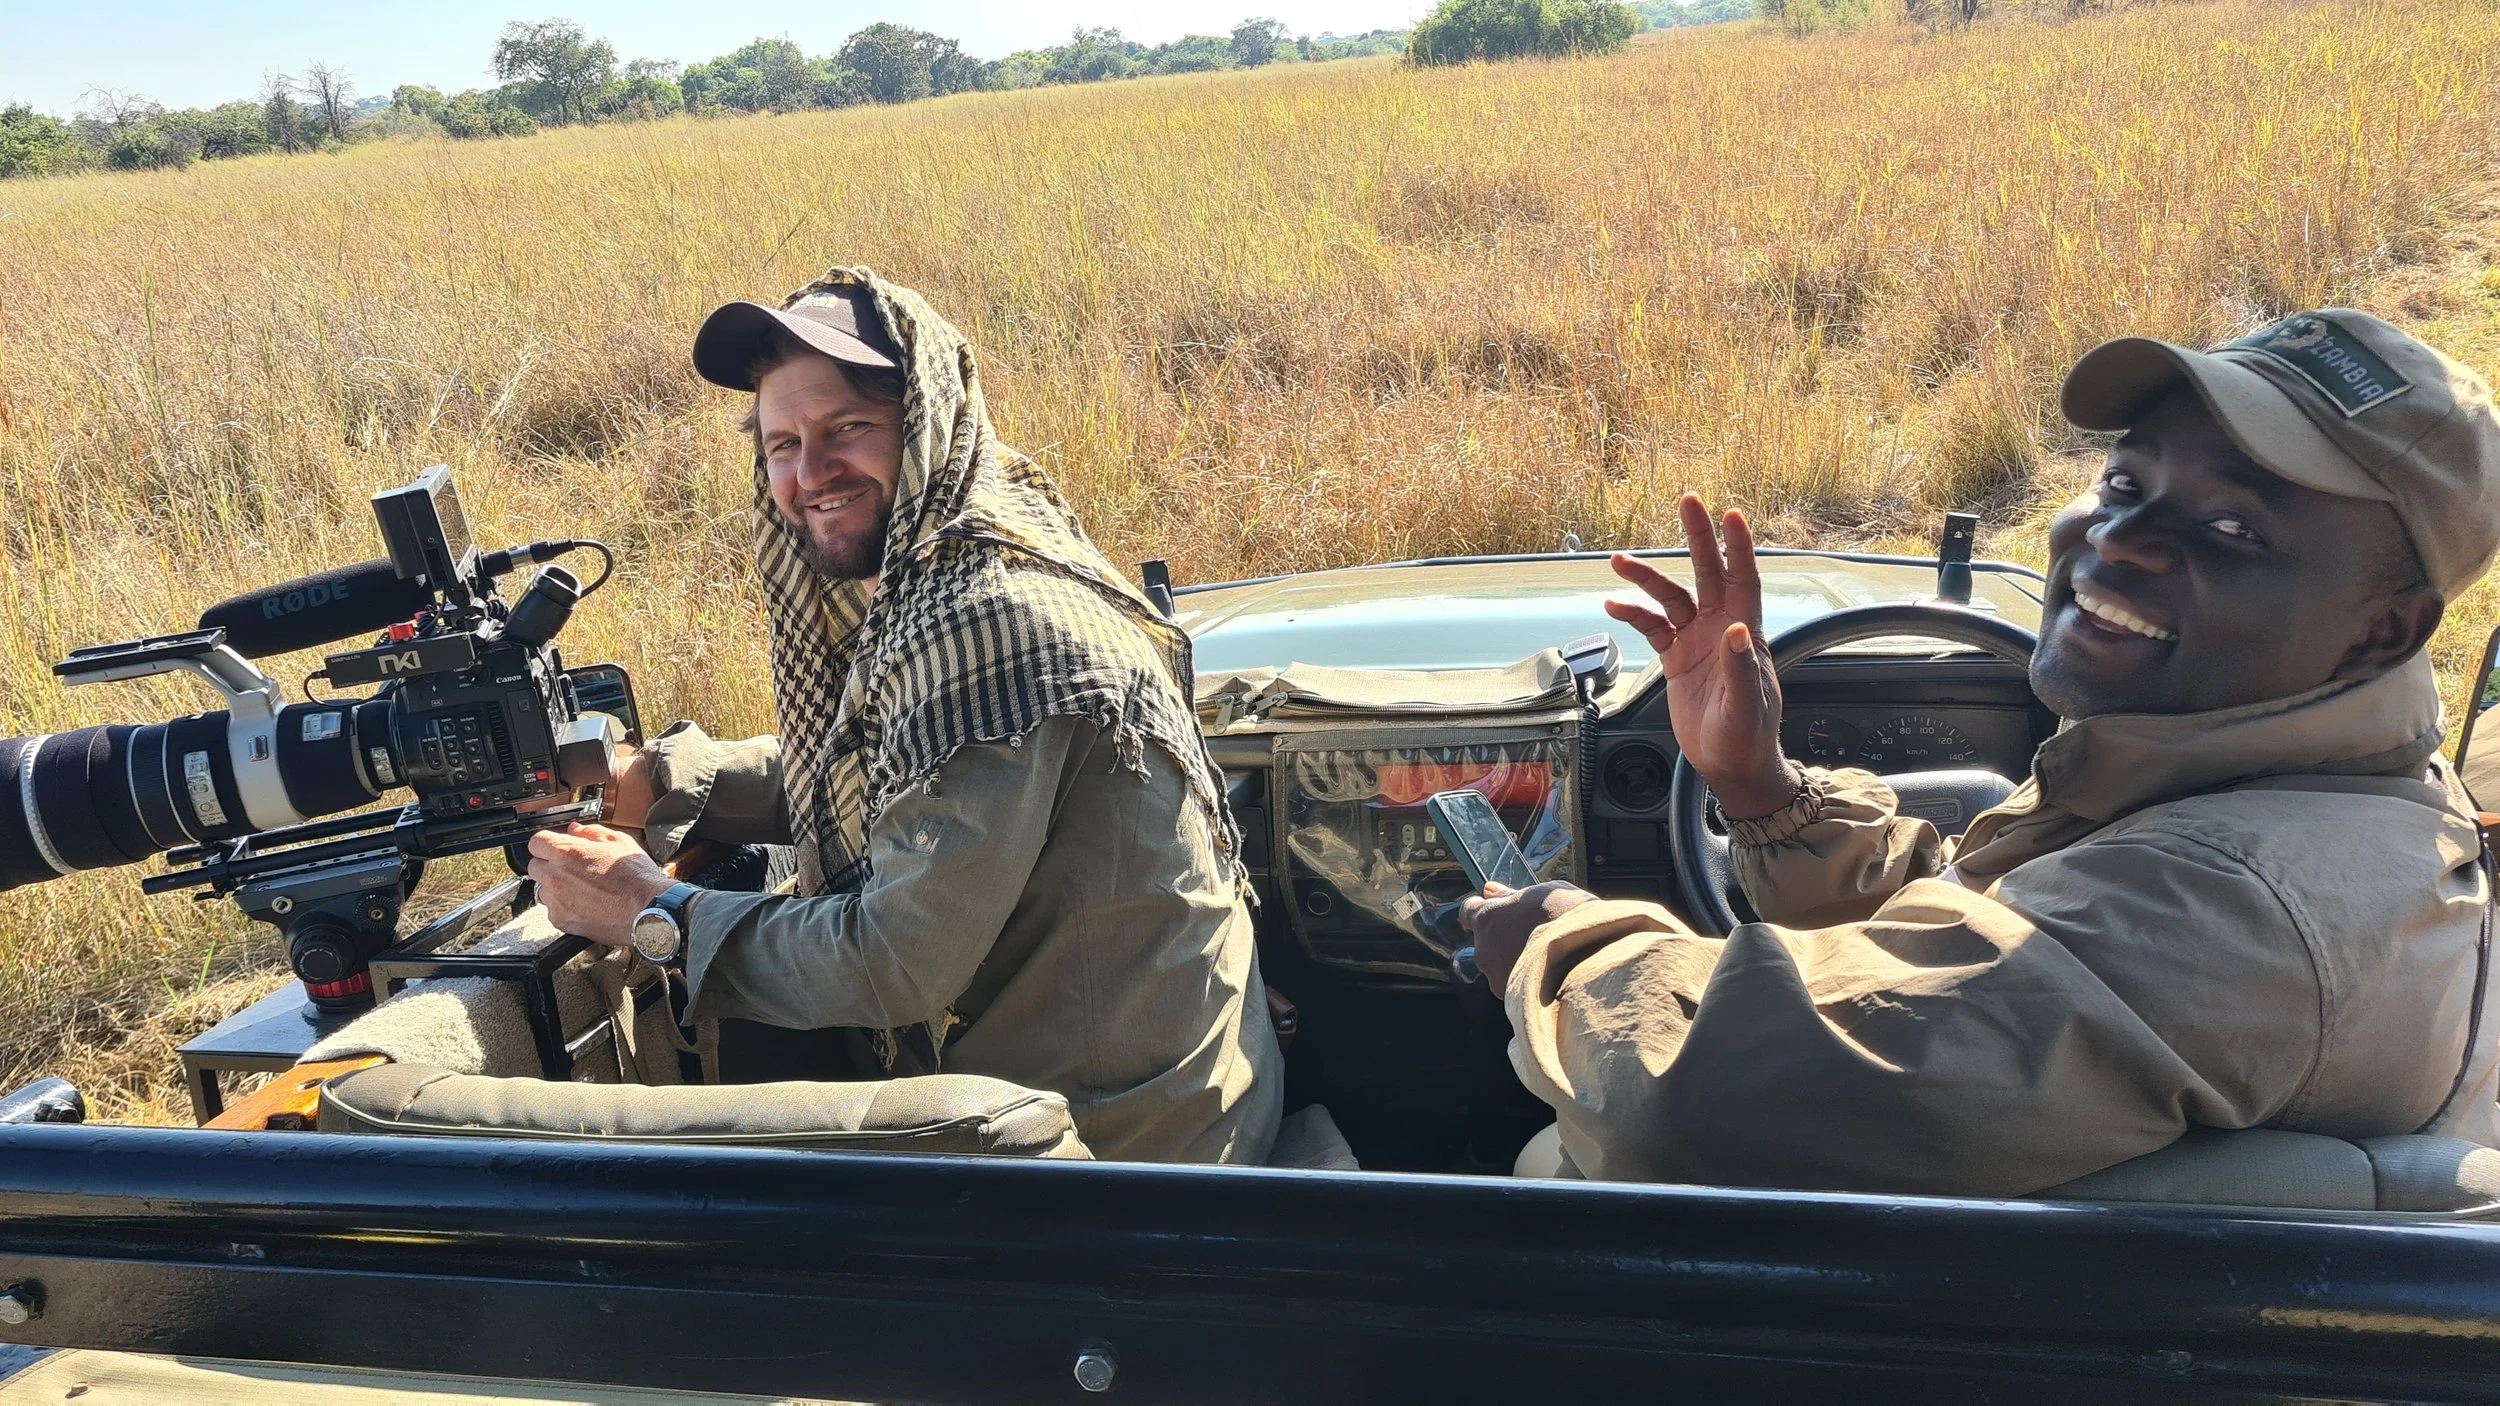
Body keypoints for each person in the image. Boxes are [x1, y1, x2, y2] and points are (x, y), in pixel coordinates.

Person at [1465, 309, 2500, 1195]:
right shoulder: (2285, 795)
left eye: (2235, 526)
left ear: (2380, 630)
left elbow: (1693, 1092)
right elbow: (1990, 954)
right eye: (2128, 481)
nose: (2120, 539)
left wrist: (1560, 939)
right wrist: (1762, 789)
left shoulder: (2234, 908)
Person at [523, 269, 1281, 1165]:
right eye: (781, 444)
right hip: (1151, 1082)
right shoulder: (967, 564)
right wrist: (661, 780)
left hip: (1116, 1153)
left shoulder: (989, 622)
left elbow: (896, 962)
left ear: (923, 426)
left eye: (847, 428)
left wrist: (656, 911)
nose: (810, 474)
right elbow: (898, 763)